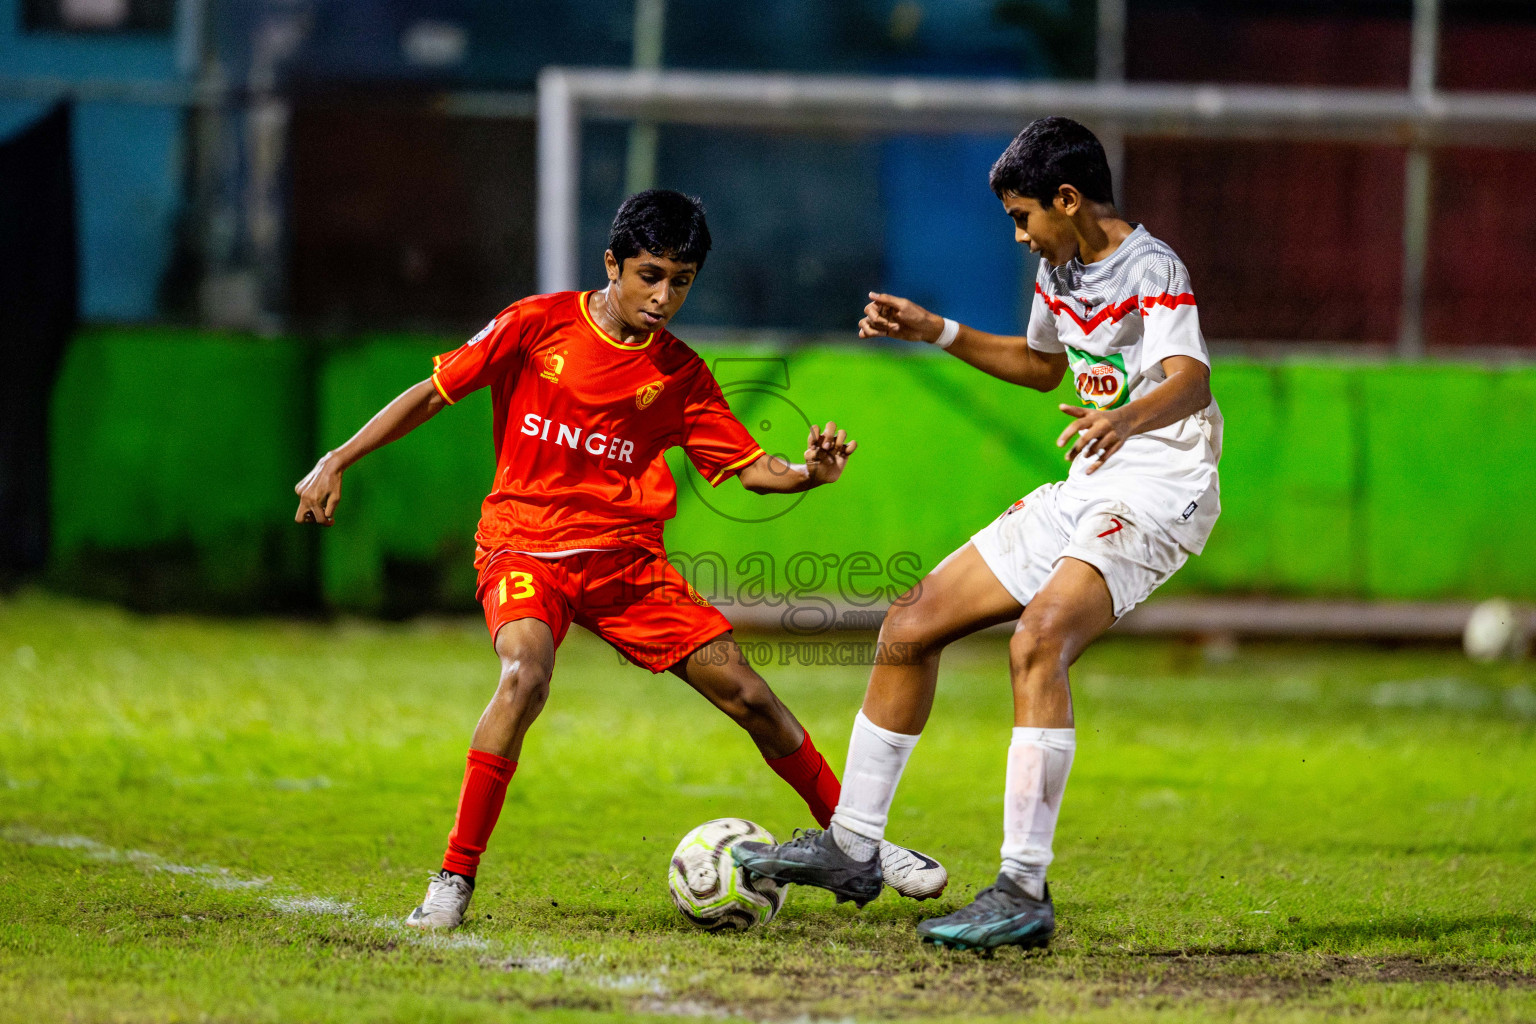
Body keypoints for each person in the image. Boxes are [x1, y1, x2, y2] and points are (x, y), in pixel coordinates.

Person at [293, 189, 946, 930]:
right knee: (523, 675)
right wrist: (338, 458)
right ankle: (453, 879)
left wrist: (807, 475)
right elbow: (433, 394)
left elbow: (747, 467)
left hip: (625, 566)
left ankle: (863, 844)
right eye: (650, 275)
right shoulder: (534, 324)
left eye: (682, 280)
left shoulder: (681, 375)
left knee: (752, 697)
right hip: (523, 548)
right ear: (612, 264)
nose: (665, 296)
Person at [734, 117, 1223, 950]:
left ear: (1067, 199)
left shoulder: (1152, 265)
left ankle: (1022, 890)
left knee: (1037, 643)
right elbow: (1040, 367)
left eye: (1023, 215)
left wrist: (1125, 419)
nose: (1020, 232)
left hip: (1162, 486)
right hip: (1093, 477)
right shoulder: (1058, 267)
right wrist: (936, 331)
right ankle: (854, 846)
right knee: (911, 621)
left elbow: (1191, 377)